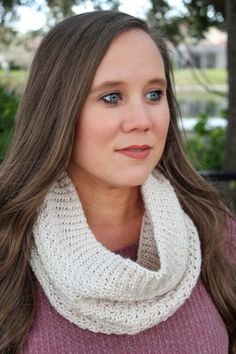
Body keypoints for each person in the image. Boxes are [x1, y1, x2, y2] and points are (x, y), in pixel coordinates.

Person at [0, 10, 235, 354]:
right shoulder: (9, 239)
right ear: (57, 111)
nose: (142, 120)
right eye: (111, 97)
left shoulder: (213, 228)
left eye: (154, 94)